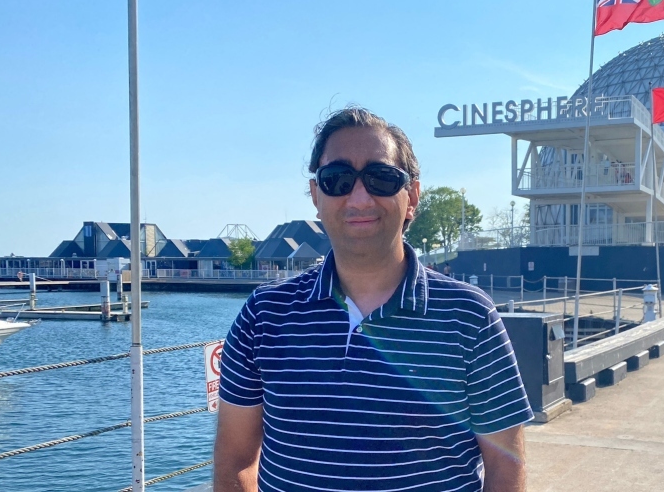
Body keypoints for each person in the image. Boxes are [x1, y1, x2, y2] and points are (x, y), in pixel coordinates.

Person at [214, 107, 533, 492]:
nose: (360, 198)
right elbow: (234, 460)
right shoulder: (264, 316)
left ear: (412, 195)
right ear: (317, 196)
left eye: (381, 178)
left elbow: (505, 467)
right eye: (338, 179)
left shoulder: (469, 317)